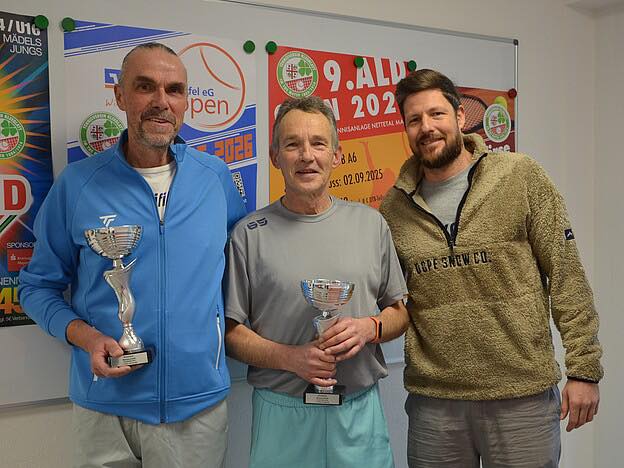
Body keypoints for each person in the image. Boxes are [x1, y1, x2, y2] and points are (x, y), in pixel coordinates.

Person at [18, 42, 246, 468]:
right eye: (145, 87)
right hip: (104, 407)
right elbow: (36, 287)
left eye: (174, 90)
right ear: (120, 96)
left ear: (186, 102)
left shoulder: (214, 178)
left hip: (196, 408)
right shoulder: (78, 184)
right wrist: (85, 337)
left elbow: (243, 271)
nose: (161, 101)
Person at [379, 68, 604, 467]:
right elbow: (392, 301)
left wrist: (584, 369)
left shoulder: (519, 175)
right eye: (414, 120)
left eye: (436, 114)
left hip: (521, 400)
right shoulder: (394, 208)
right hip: (435, 406)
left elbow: (566, 273)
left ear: (459, 116)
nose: (426, 127)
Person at [224, 96, 409, 468]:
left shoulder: (371, 224)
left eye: (318, 143)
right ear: (275, 156)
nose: (307, 155)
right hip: (282, 416)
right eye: (293, 144)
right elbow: (231, 333)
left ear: (336, 155)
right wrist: (291, 358)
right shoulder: (249, 234)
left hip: (358, 414)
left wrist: (369, 328)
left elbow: (400, 313)